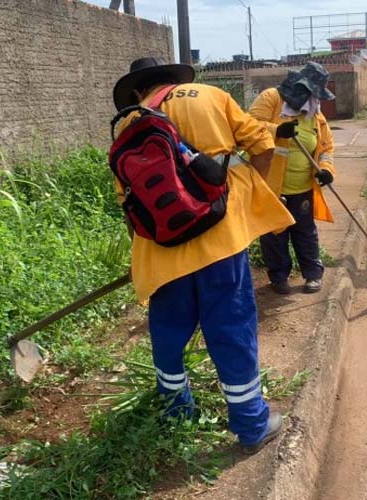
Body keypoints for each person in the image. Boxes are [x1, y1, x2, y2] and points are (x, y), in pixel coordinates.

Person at [111, 57, 295, 454]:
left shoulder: (129, 123)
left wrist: (154, 243)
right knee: (231, 329)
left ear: (139, 91)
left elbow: (127, 199)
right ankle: (251, 424)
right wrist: (245, 198)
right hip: (220, 239)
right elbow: (263, 145)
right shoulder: (211, 96)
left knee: (167, 335)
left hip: (162, 250)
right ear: (170, 78)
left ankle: (176, 416)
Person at [248, 62, 336, 295]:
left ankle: (313, 274)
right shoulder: (272, 99)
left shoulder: (315, 114)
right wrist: (277, 131)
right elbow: (248, 126)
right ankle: (278, 277)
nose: (312, 98)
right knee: (274, 235)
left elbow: (326, 146)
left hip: (303, 187)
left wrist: (326, 169)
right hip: (271, 186)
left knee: (305, 233)